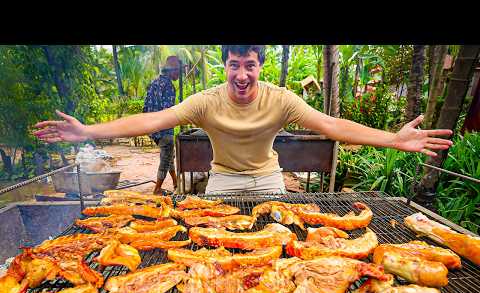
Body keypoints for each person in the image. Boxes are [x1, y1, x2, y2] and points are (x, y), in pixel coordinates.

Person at [34, 45, 453, 194]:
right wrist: (89, 131)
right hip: (222, 181)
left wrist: (393, 139)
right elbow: (151, 120)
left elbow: (332, 126)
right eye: (234, 64)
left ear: (260, 65)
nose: (241, 75)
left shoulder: (282, 99)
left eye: (249, 65)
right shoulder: (205, 100)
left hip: (269, 180)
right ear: (225, 65)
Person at [143, 55, 179, 195]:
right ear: (170, 71)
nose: (178, 74)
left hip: (153, 127)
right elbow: (167, 111)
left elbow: (146, 106)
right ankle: (157, 189)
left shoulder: (155, 82)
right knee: (166, 158)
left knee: (169, 156)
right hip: (164, 129)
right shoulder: (169, 86)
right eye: (177, 71)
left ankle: (176, 183)